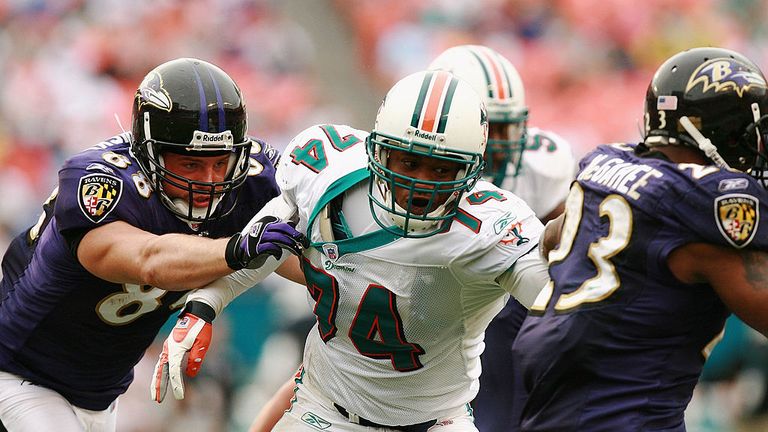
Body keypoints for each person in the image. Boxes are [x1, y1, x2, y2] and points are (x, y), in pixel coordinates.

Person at [157, 69, 551, 431]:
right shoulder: (329, 174)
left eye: (441, 169)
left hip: (436, 421)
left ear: (469, 171)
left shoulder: (489, 228)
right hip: (324, 411)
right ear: (379, 152)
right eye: (409, 162)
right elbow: (265, 241)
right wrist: (205, 304)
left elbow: (552, 296)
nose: (420, 183)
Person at [0, 57, 306, 431]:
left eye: (220, 163)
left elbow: (300, 258)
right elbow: (150, 259)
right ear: (150, 153)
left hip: (101, 394)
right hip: (18, 370)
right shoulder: (101, 183)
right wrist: (239, 248)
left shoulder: (251, 179)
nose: (210, 181)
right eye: (190, 165)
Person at [512, 46, 768, 431]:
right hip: (626, 416)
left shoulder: (606, 164)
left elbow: (553, 235)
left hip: (552, 405)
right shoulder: (703, 202)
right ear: (725, 133)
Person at [427, 44, 575, 431]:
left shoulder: (542, 165)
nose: (501, 141)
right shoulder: (420, 171)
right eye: (489, 127)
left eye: (508, 126)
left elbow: (561, 257)